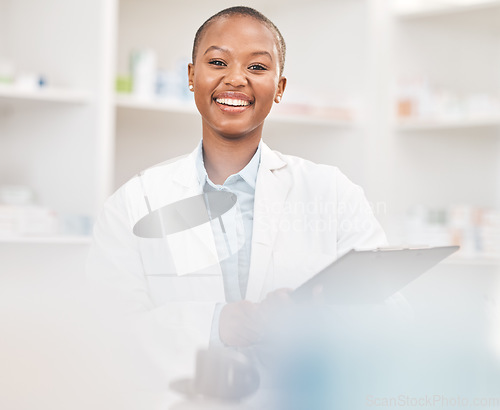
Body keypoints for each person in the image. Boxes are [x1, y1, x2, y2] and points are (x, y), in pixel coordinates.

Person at [86, 6, 386, 372]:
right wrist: (217, 325)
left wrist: (323, 320)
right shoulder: (133, 204)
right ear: (192, 77)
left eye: (257, 67)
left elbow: (389, 308)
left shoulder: (334, 193)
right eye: (217, 63)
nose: (236, 79)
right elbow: (107, 330)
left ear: (279, 88)